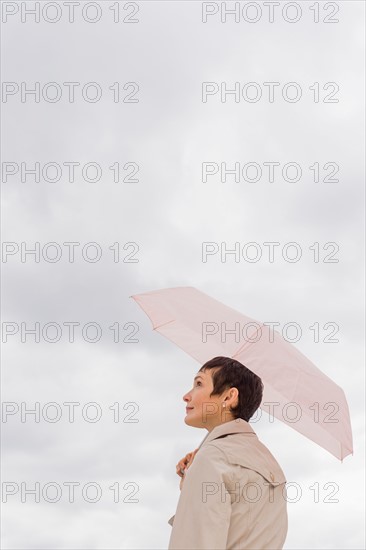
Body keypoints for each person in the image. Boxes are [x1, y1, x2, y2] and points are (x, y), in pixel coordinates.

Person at [167, 356, 288, 550]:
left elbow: (197, 542)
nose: (186, 396)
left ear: (229, 397)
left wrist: (202, 467)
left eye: (199, 384)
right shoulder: (269, 464)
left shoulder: (213, 457)